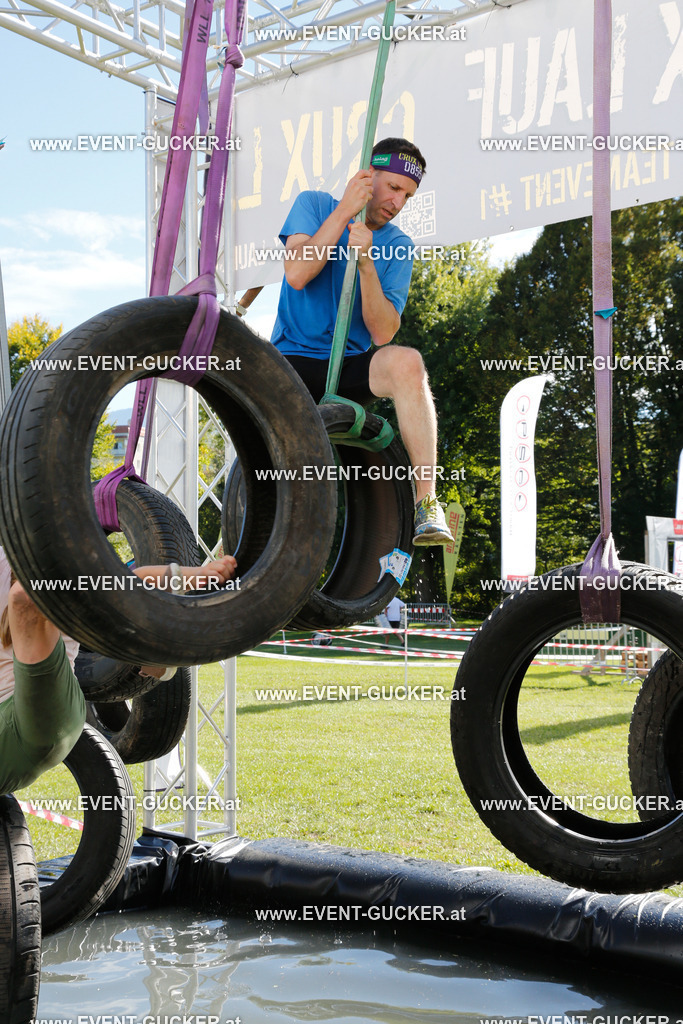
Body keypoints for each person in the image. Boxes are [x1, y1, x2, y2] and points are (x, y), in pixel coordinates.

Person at [271, 136, 454, 547]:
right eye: (393, 187)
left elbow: (383, 332)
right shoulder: (314, 205)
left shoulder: (398, 245)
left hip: (350, 367)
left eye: (407, 195)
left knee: (408, 363)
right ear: (368, 177)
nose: (398, 202)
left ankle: (426, 502)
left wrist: (367, 262)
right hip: (291, 362)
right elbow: (297, 275)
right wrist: (342, 213)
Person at [0, 548, 237, 794]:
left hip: (45, 714)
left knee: (25, 597)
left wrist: (199, 575)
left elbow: (132, 580)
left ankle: (145, 645)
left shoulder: (57, 561)